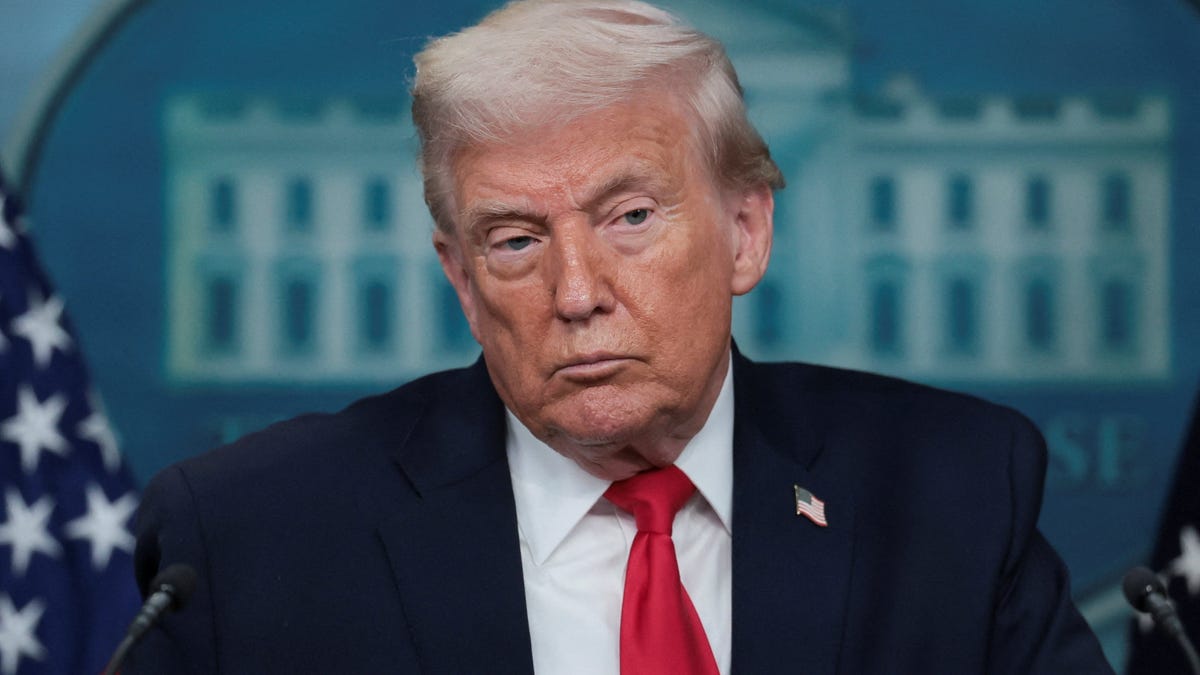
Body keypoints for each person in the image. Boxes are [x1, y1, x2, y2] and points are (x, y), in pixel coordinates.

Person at [128, 1, 1114, 672]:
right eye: (515, 240)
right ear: (463, 283)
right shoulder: (249, 538)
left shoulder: (954, 490)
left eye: (630, 218)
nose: (577, 292)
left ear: (745, 230)